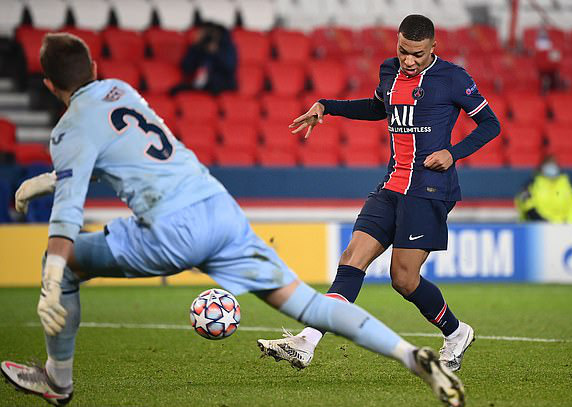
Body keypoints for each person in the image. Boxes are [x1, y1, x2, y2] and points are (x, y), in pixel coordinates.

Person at [0, 33, 465, 407]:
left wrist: (52, 276)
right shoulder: (122, 92)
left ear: (47, 86)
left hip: (168, 233)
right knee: (314, 298)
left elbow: (68, 213)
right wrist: (56, 177)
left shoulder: (68, 130)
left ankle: (58, 379)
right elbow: (126, 155)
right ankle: (408, 355)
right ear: (97, 71)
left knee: (65, 261)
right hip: (221, 215)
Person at [257, 15, 500, 373]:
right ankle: (306, 342)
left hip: (429, 189)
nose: (409, 60)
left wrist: (453, 152)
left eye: (417, 54)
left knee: (403, 279)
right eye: (403, 51)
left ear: (434, 47)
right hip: (391, 185)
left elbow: (491, 123)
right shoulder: (389, 71)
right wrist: (327, 105)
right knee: (352, 257)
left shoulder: (453, 78)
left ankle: (456, 331)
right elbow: (377, 108)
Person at [178, 22, 237, 94]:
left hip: (222, 85)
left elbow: (229, 67)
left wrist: (216, 52)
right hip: (201, 84)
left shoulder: (226, 46)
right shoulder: (199, 47)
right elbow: (186, 67)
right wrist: (195, 46)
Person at [515, 155, 572, 223]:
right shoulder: (532, 184)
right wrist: (541, 222)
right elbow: (526, 205)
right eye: (549, 165)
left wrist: (570, 225)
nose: (552, 168)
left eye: (554, 165)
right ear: (542, 167)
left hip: (562, 227)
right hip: (537, 226)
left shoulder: (565, 184)